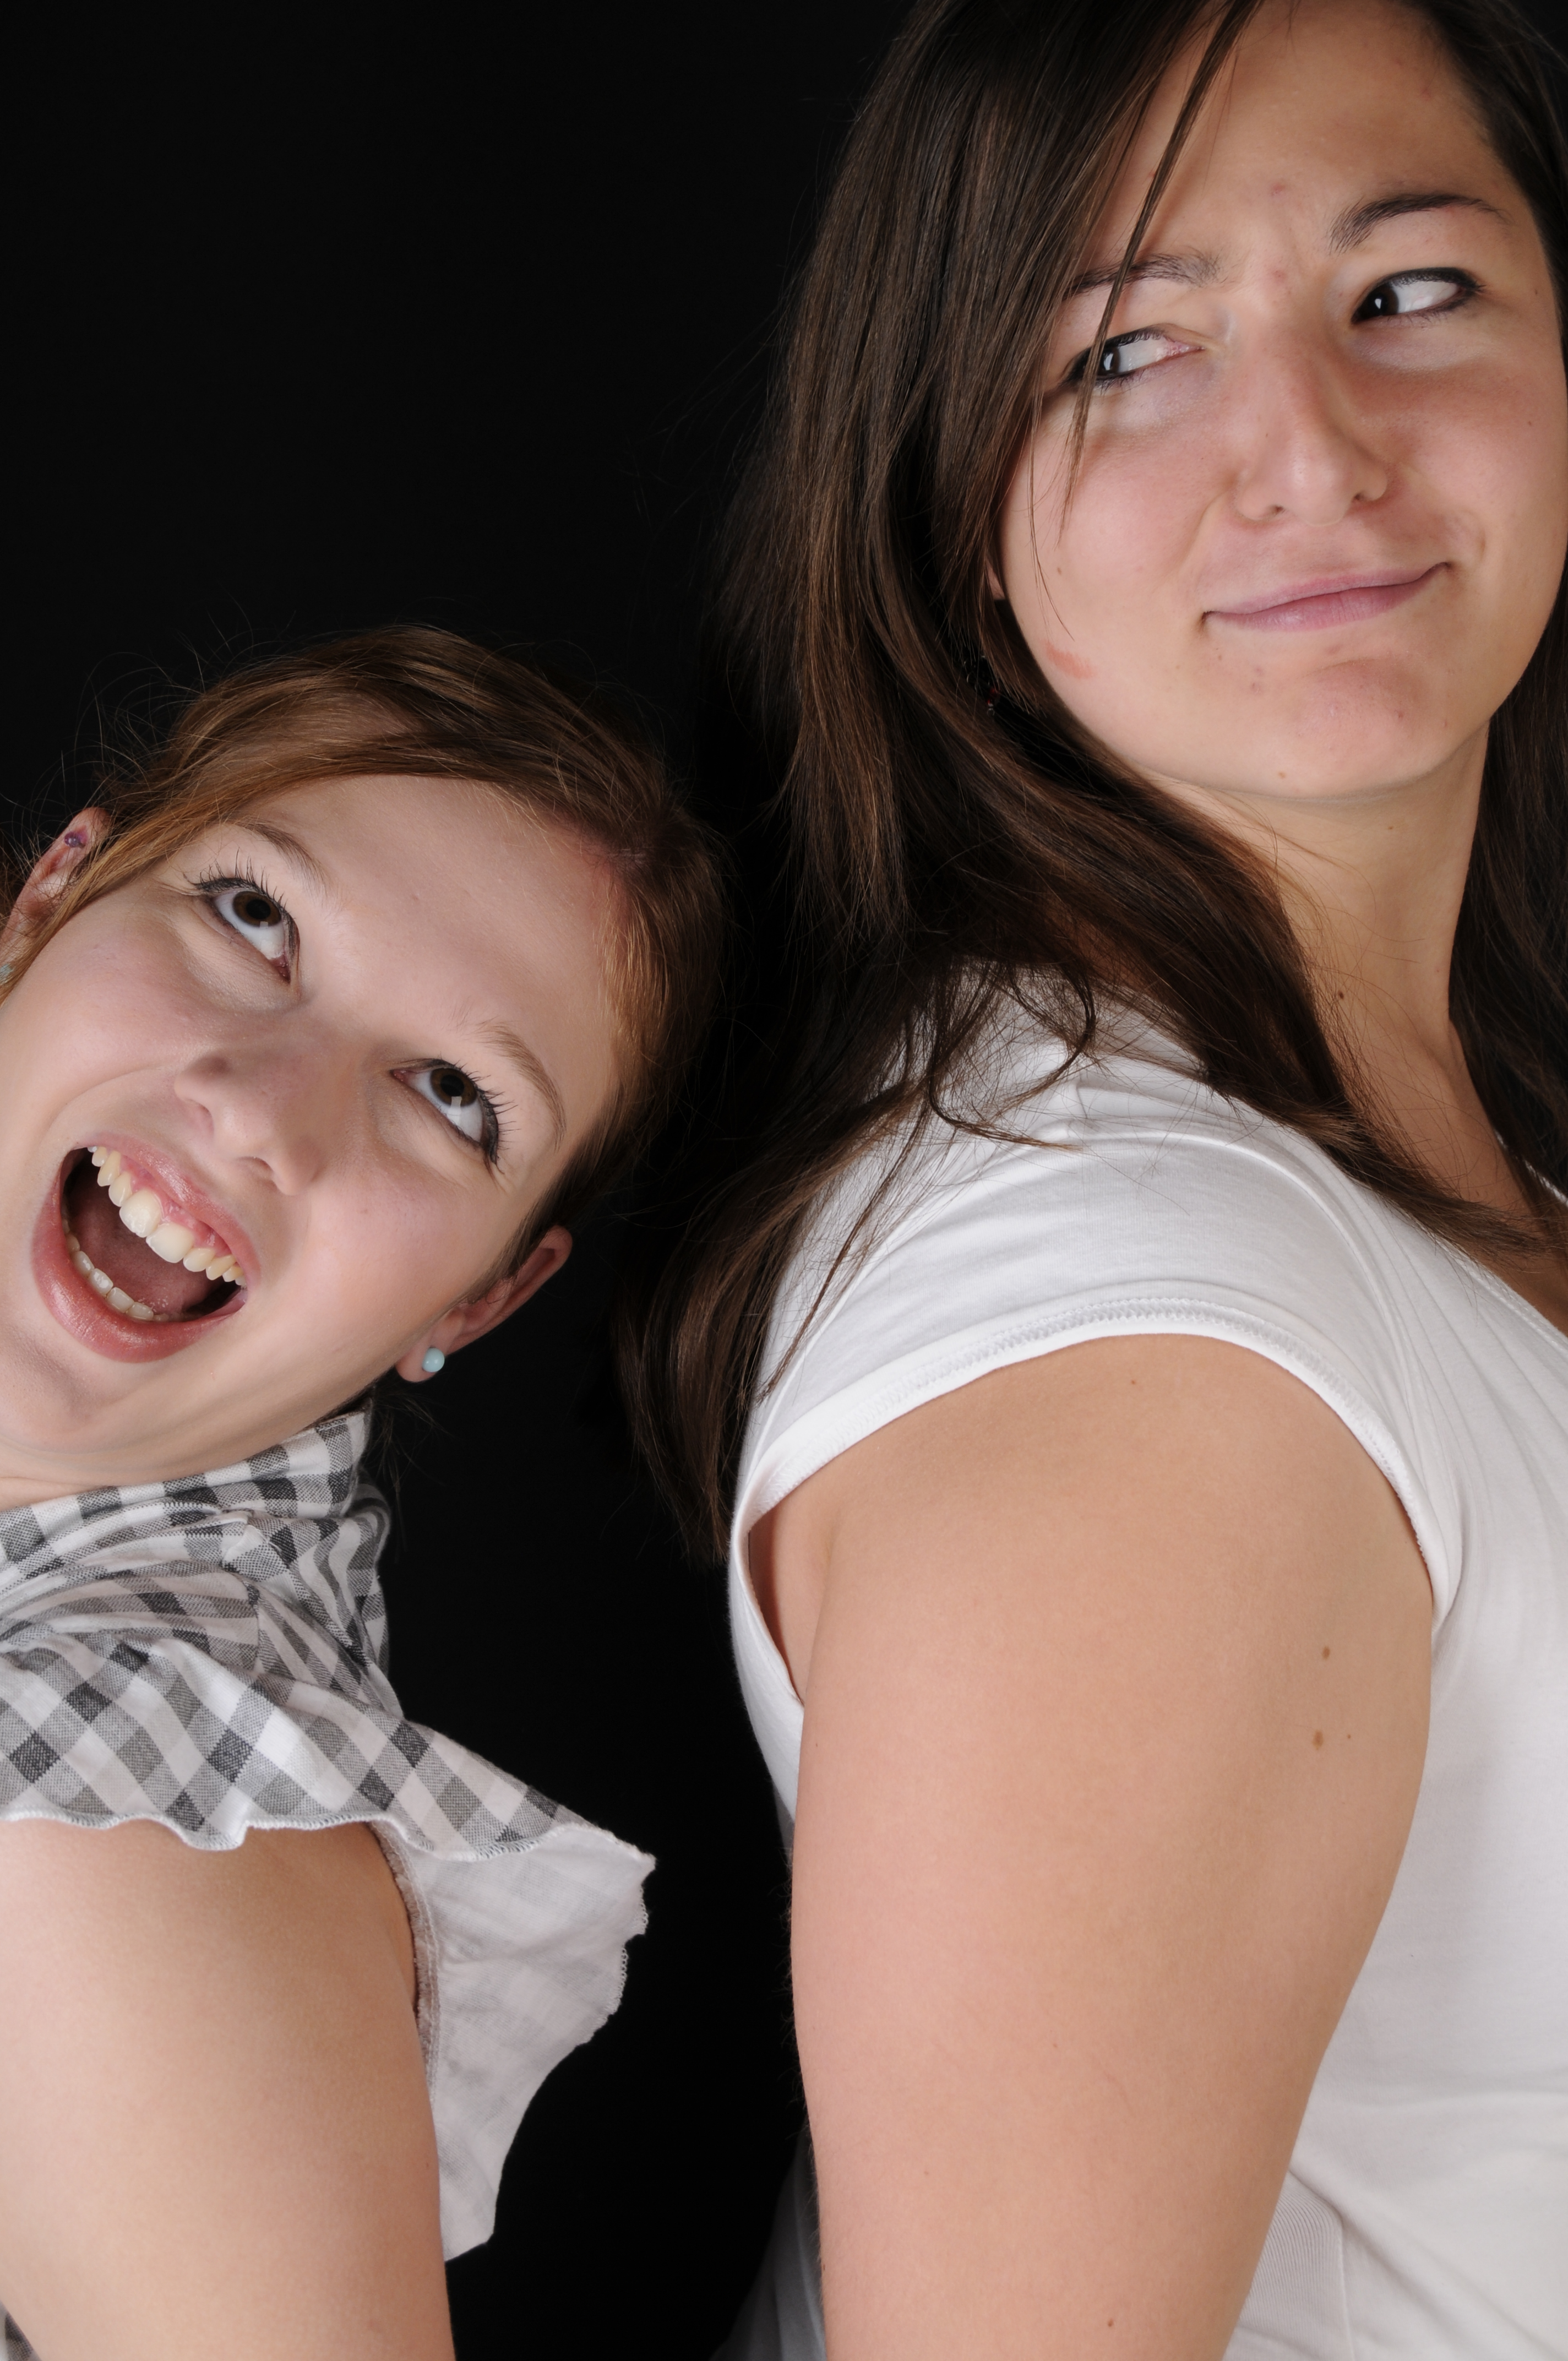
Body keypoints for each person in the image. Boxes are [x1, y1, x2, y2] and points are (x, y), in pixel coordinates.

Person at [624, 0, 1568, 2353]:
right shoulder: (1152, 1351)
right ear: (953, 518)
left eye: (1409, 290)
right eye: (1127, 353)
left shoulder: (1402, 1127)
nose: (1311, 450)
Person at [0, 625, 722, 2360]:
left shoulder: (106, 1828)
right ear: (54, 891)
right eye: (253, 918)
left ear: (479, 1301)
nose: (265, 1113)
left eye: (455, 1098)